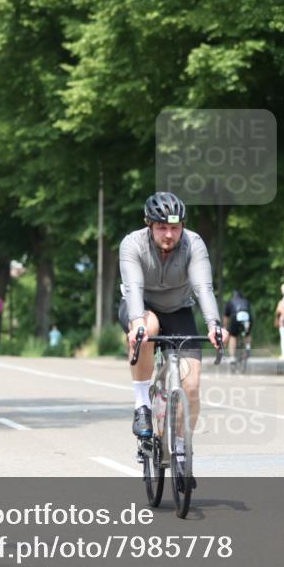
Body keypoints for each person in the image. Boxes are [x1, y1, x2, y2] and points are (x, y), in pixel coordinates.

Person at [119, 192, 226, 488]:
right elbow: (134, 288)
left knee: (191, 386)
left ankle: (180, 447)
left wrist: (215, 325)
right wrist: (137, 324)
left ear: (183, 226)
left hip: (180, 310)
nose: (169, 234)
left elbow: (204, 288)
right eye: (162, 227)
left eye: (175, 228)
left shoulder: (193, 244)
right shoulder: (132, 244)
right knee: (147, 330)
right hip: (143, 308)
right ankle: (142, 405)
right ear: (149, 224)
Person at [223, 289, 253, 362]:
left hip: (235, 318)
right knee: (247, 333)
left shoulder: (230, 302)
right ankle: (248, 347)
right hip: (247, 318)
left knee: (233, 336)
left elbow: (226, 317)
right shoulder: (246, 301)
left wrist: (225, 327)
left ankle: (232, 357)